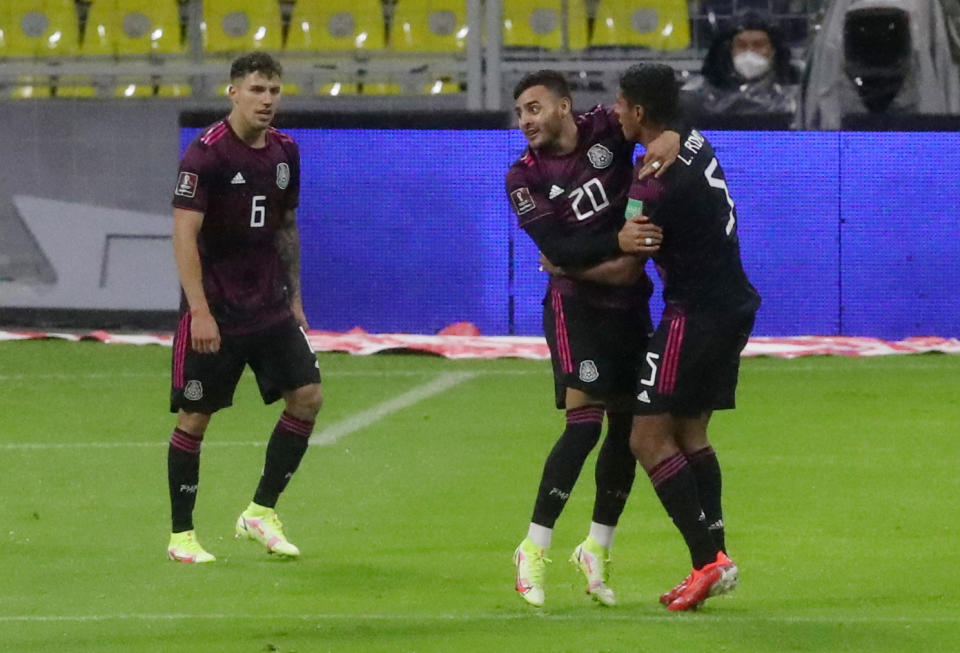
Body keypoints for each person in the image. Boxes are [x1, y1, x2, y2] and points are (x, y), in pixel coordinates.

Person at [506, 69, 678, 607]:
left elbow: (656, 117)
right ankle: (534, 548)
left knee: (628, 429)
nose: (525, 121)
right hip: (573, 308)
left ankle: (596, 547)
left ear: (564, 106)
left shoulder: (607, 128)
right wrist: (617, 243)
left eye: (534, 108)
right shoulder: (522, 177)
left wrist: (674, 135)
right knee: (582, 426)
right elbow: (556, 246)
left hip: (630, 305)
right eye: (519, 113)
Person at [614, 63, 761, 611]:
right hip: (732, 304)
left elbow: (631, 251)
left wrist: (581, 254)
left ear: (640, 112)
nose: (615, 111)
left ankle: (708, 559)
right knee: (690, 430)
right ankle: (713, 561)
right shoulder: (693, 140)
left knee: (646, 438)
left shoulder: (653, 179)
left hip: (693, 313)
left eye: (621, 103)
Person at [165, 52, 323, 563]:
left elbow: (286, 226)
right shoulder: (206, 154)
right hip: (218, 309)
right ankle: (182, 536)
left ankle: (260, 511)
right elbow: (184, 234)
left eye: (274, 90)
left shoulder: (285, 152)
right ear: (233, 92)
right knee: (196, 417)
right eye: (257, 89)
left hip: (270, 306)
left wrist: (295, 297)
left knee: (308, 396)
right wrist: (201, 311)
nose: (268, 100)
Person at [681, 11, 801, 120]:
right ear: (729, 49)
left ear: (775, 50)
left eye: (759, 45)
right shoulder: (699, 92)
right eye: (741, 45)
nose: (749, 52)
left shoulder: (795, 96)